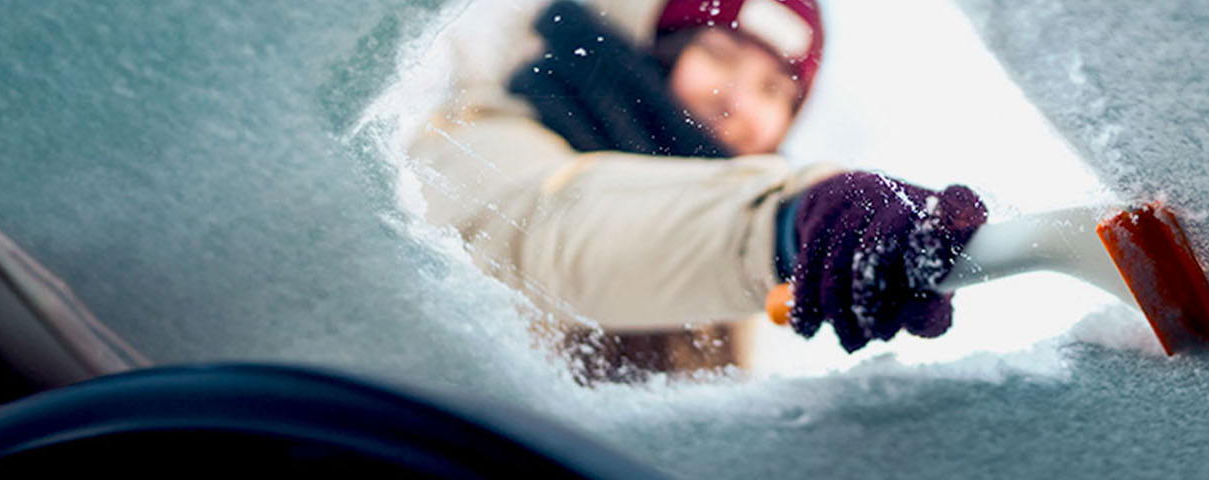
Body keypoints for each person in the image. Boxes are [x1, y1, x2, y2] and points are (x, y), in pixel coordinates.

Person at [409, 0, 986, 380]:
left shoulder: (750, 298)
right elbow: (554, 232)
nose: (738, 100)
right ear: (654, 49)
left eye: (774, 89)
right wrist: (785, 224)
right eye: (718, 55)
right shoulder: (482, 137)